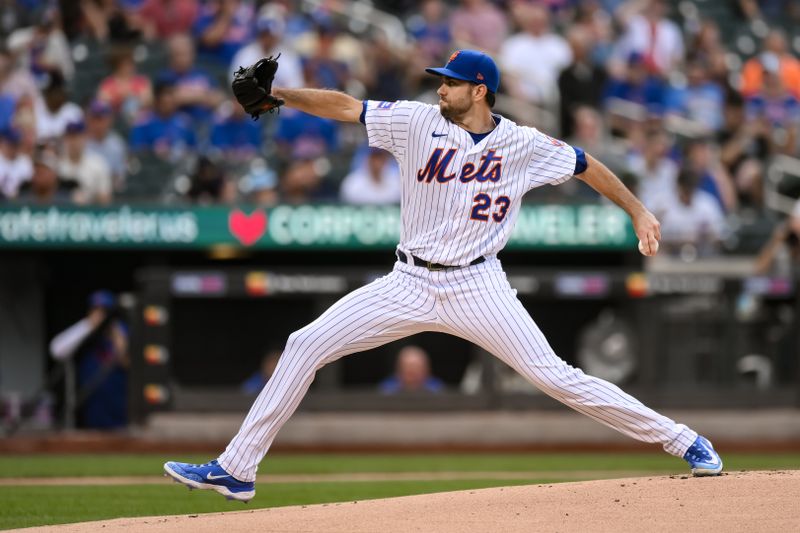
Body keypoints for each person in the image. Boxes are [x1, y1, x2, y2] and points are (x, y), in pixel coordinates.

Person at [164, 49, 723, 502]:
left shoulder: (523, 144)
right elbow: (345, 107)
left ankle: (686, 440)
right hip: (408, 281)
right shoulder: (415, 121)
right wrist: (280, 94)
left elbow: (585, 164)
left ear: (479, 90)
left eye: (452, 82)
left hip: (479, 285)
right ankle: (237, 470)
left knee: (558, 377)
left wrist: (638, 210)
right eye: (441, 80)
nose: (441, 88)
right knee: (304, 343)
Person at [49, 290, 129, 430]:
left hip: (120, 411)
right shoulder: (84, 333)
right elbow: (57, 350)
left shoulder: (122, 330)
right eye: (95, 310)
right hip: (91, 412)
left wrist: (116, 333)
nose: (99, 315)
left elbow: (127, 362)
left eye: (104, 311)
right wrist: (88, 325)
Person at [379, 346, 444, 394]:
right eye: (408, 367)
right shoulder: (387, 389)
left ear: (426, 369)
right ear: (398, 368)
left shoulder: (437, 389)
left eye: (416, 367)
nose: (412, 371)